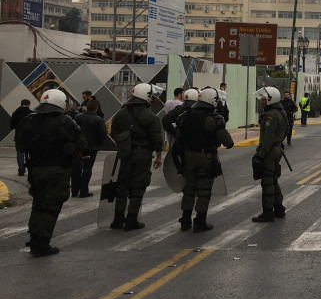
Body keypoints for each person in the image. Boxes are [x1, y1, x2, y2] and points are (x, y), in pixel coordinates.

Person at [15, 89, 87, 256]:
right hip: (57, 170)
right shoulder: (64, 121)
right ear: (61, 103)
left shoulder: (28, 120)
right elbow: (81, 143)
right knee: (51, 206)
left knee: (38, 204)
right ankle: (42, 243)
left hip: (35, 169)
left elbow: (20, 145)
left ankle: (34, 239)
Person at [175, 87, 234, 232]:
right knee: (204, 189)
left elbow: (178, 137)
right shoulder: (214, 118)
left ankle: (186, 219)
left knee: (189, 188)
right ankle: (200, 221)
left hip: (188, 156)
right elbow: (228, 141)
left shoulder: (185, 116)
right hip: (205, 157)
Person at [108, 84, 164, 231]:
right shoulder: (150, 116)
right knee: (139, 185)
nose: (152, 100)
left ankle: (117, 219)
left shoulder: (121, 113)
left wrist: (125, 142)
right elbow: (157, 139)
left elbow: (113, 133)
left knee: (122, 185)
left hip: (126, 153)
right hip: (143, 154)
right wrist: (159, 157)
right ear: (146, 97)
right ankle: (131, 219)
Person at [252, 86, 290, 222]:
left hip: (270, 150)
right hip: (277, 148)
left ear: (270, 99)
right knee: (273, 179)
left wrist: (260, 155)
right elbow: (287, 129)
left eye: (263, 99)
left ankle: (268, 212)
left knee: (267, 181)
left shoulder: (271, 115)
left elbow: (267, 139)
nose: (261, 101)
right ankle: (279, 208)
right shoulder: (281, 112)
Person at [72, 98, 107, 198]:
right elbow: (103, 134)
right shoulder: (99, 119)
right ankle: (84, 191)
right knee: (87, 169)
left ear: (86, 107)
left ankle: (74, 191)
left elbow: (72, 131)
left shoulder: (77, 117)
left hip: (78, 147)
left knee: (76, 169)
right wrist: (98, 144)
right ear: (96, 108)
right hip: (92, 148)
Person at [10, 98, 33, 176]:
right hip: (30, 137)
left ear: (21, 104)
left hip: (19, 137)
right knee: (31, 153)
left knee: (20, 153)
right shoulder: (31, 114)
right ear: (29, 104)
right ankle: (31, 169)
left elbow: (12, 126)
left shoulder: (16, 113)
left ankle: (21, 170)